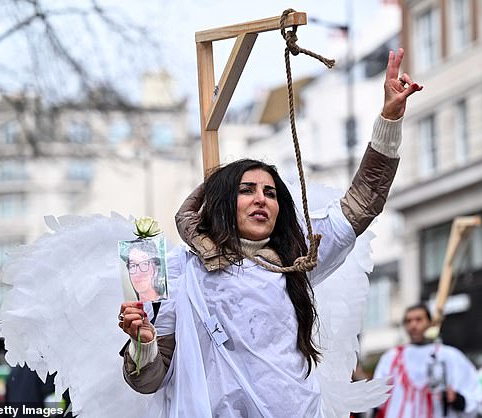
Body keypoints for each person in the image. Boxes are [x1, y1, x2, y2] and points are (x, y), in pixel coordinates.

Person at [117, 48, 423, 417]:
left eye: (271, 192)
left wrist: (389, 120)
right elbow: (150, 379)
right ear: (221, 204)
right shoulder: (181, 272)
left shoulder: (297, 261)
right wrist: (143, 345)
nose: (261, 199)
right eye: (246, 190)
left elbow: (363, 203)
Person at [372, 304, 482, 418]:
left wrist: (457, 399)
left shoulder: (450, 356)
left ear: (430, 323)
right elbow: (375, 396)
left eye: (419, 319)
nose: (413, 325)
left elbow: (474, 393)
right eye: (408, 321)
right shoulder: (391, 358)